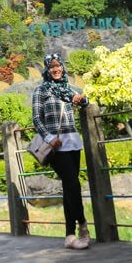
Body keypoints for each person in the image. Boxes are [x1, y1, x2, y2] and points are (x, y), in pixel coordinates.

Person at [31, 53, 90, 250]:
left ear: (62, 67)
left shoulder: (67, 89)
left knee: (69, 188)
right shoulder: (41, 91)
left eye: (58, 66)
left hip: (73, 142)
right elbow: (36, 119)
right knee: (73, 184)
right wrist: (49, 138)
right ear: (47, 70)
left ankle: (69, 235)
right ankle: (82, 225)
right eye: (52, 67)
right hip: (56, 145)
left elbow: (85, 102)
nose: (56, 69)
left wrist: (82, 100)